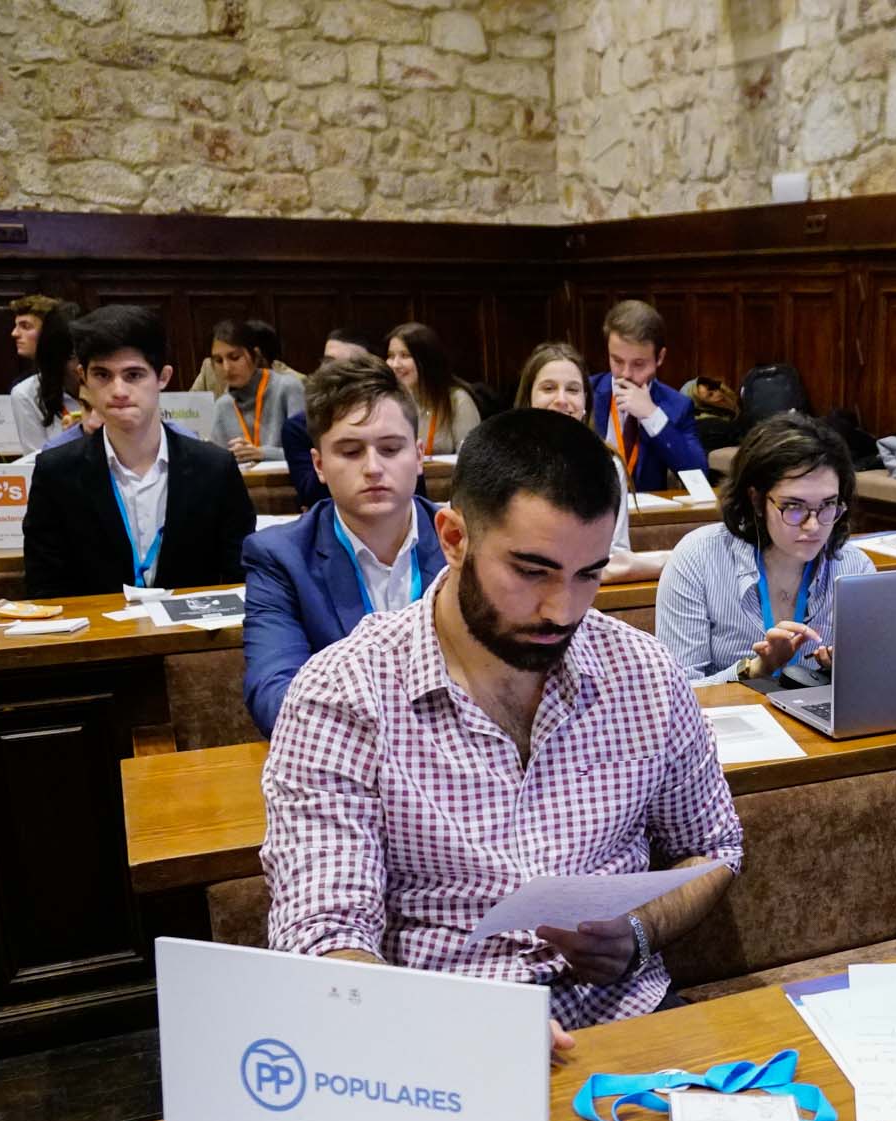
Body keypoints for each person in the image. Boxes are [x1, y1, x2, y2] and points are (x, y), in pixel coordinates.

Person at [262, 407, 743, 1052]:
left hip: (624, 1015)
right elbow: (323, 938)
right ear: (454, 538)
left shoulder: (642, 671)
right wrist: (457, 1027)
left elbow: (715, 850)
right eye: (531, 570)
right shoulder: (346, 693)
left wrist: (640, 929)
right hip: (430, 1038)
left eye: (589, 574)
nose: (562, 609)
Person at [242, 357, 447, 736]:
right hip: (344, 767)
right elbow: (272, 689)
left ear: (418, 456)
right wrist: (384, 738)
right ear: (318, 465)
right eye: (350, 452)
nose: (372, 467)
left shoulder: (465, 542)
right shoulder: (280, 557)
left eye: (390, 449)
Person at [21, 305, 255, 599]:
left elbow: (242, 577)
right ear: (83, 378)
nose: (118, 390)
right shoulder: (56, 472)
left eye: (133, 375)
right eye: (102, 375)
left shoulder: (215, 468)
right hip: (97, 637)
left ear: (163, 377)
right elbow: (44, 587)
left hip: (195, 636)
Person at [654, 411, 875, 685]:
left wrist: (843, 673)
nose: (813, 525)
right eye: (794, 507)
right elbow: (677, 687)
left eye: (828, 505)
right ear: (756, 500)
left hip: (816, 721)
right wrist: (756, 670)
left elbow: (874, 677)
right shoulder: (699, 557)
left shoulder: (855, 567)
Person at [517, 341, 669, 585]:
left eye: (573, 390)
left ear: (585, 403)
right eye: (548, 388)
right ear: (528, 398)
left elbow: (617, 552)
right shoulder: (506, 461)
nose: (562, 399)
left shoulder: (607, 465)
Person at [588, 299, 707, 493]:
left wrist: (652, 416)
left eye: (638, 364)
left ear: (660, 357)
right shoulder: (586, 392)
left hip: (645, 518)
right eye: (617, 360)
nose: (625, 373)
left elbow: (699, 477)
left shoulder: (676, 406)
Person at [285, 327, 383, 507]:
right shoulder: (299, 426)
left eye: (350, 366)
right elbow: (310, 494)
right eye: (329, 362)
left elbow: (416, 492)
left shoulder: (390, 420)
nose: (335, 373)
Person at [207, 319, 305, 463]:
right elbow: (216, 463)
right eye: (218, 361)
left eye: (234, 357)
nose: (227, 368)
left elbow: (307, 452)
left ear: (256, 355)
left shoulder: (288, 388)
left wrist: (262, 453)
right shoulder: (223, 405)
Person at [386, 322, 481, 457]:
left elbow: (472, 460)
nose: (395, 364)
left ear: (426, 360)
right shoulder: (392, 400)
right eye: (390, 356)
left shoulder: (458, 401)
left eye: (405, 355)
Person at [10, 302, 86, 454]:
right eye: (72, 356)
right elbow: (37, 464)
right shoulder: (26, 394)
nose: (81, 365)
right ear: (55, 357)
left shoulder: (109, 383)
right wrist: (70, 440)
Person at [9, 294, 58, 369]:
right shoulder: (26, 380)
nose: (14, 333)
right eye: (16, 326)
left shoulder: (75, 377)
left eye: (25, 326)